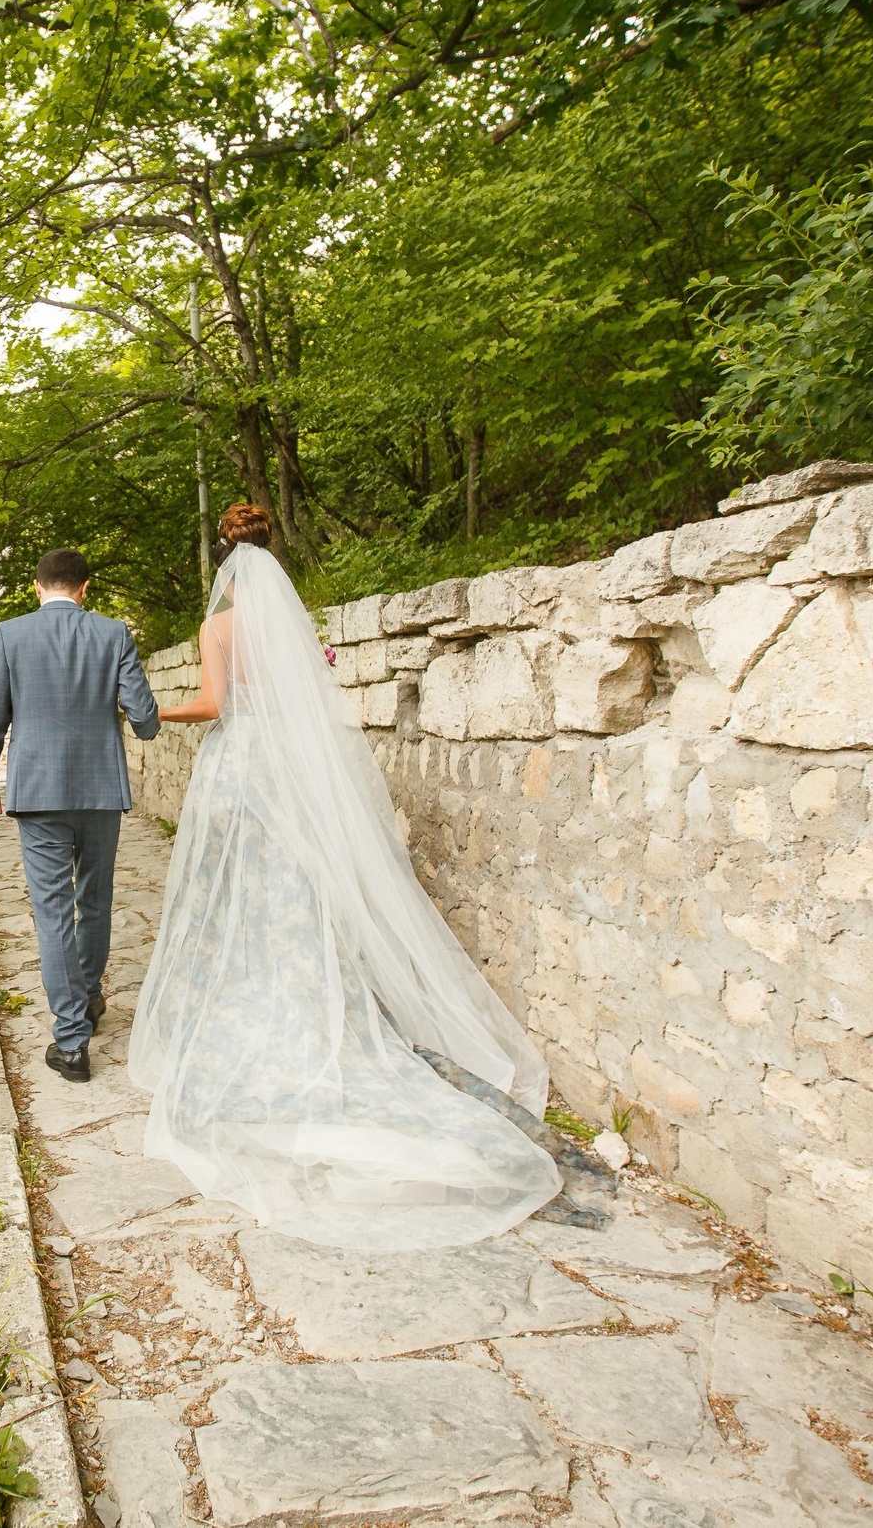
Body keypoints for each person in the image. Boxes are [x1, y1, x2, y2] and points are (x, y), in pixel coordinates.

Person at [129, 504, 564, 1250]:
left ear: (224, 561)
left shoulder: (220, 627)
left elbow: (213, 704)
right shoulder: (291, 625)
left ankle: (246, 999)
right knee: (297, 889)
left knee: (233, 893)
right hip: (292, 771)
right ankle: (311, 994)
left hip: (239, 769)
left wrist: (151, 713)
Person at [0, 548, 160, 1083]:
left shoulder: (9, 635)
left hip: (38, 794)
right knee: (95, 899)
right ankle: (90, 997)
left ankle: (72, 1042)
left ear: (37, 588)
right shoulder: (114, 634)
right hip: (101, 790)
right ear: (85, 588)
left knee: (53, 910)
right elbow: (145, 721)